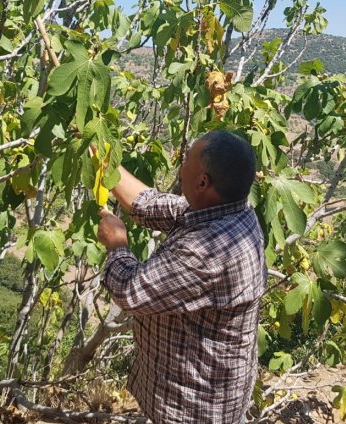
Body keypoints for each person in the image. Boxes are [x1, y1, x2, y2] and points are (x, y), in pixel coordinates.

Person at [96, 131, 267, 423]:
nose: (181, 163)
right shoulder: (231, 211)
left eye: (187, 158)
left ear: (202, 182)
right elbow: (148, 204)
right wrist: (102, 159)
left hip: (195, 409)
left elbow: (129, 290)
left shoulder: (207, 252)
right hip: (205, 395)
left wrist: (117, 244)